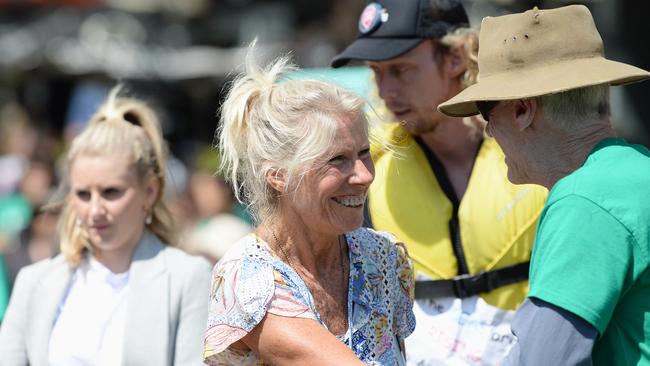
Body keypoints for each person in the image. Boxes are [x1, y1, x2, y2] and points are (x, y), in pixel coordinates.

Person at [331, 0, 548, 364]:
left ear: (456, 59)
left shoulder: (538, 145)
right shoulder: (367, 167)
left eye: (400, 70)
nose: (385, 91)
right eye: (377, 72)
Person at [438, 5, 650, 365]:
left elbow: (543, 359)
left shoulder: (584, 201)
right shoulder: (638, 171)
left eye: (487, 110)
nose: (487, 130)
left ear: (523, 109)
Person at [203, 47, 416, 365]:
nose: (364, 175)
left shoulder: (383, 258)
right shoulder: (248, 279)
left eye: (363, 153)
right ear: (278, 176)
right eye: (337, 160)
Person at [0, 86, 212, 366]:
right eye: (83, 194)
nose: (95, 210)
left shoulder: (186, 278)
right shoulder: (36, 281)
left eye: (111, 192)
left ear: (149, 191)